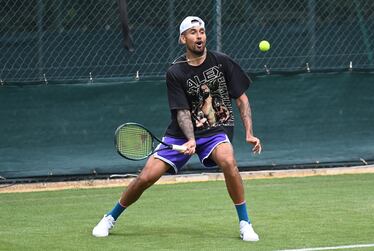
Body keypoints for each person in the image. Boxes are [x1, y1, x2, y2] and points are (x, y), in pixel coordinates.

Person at [92, 16, 262, 242]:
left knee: (229, 161)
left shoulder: (222, 62)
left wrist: (249, 132)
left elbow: (242, 99)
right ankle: (110, 217)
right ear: (183, 39)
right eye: (192, 32)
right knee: (146, 177)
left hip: (214, 131)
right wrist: (190, 140)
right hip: (180, 134)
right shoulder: (175, 72)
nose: (199, 35)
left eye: (201, 31)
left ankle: (245, 223)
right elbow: (181, 112)